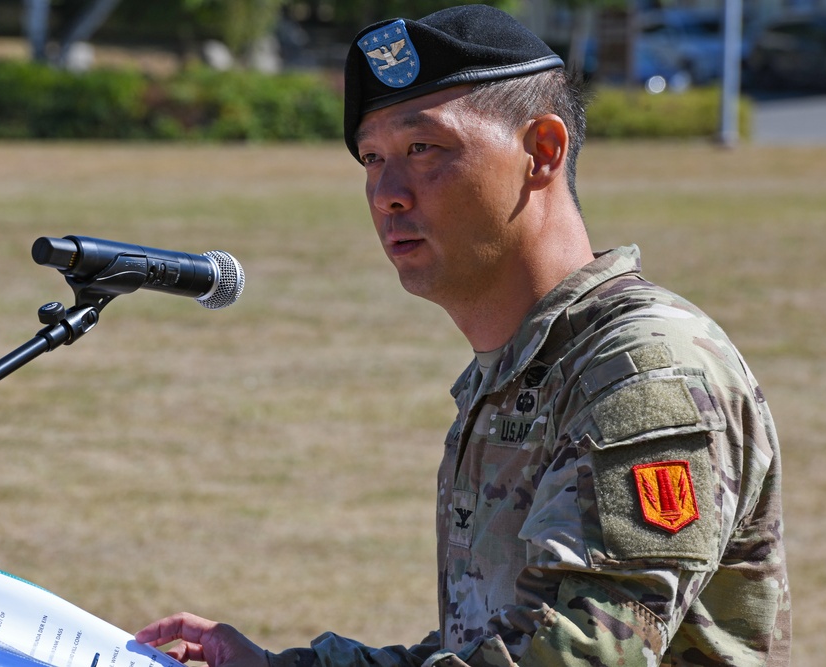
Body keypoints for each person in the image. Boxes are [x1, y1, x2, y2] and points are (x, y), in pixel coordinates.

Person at [136, 5, 792, 666]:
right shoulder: (512, 375)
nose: (387, 192)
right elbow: (482, 646)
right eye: (372, 157)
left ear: (542, 152)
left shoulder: (648, 371)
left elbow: (576, 655)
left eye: (424, 149)